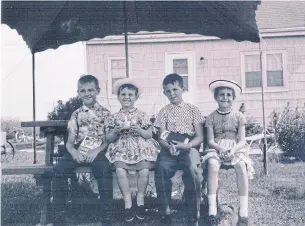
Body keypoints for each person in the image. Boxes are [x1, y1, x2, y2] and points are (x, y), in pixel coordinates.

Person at [52, 75, 113, 224]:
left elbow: (108, 140)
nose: (87, 93)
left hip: (98, 149)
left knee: (105, 170)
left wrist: (97, 150)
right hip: (78, 149)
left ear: (98, 90)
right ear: (78, 93)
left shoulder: (105, 114)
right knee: (59, 169)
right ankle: (59, 212)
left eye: (91, 90)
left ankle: (107, 212)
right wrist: (74, 152)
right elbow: (70, 142)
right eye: (83, 90)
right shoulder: (76, 114)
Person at [105, 78, 160, 222]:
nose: (126, 97)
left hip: (140, 146)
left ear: (136, 97)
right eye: (123, 94)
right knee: (119, 169)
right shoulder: (114, 117)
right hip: (121, 147)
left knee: (144, 170)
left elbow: (149, 134)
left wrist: (141, 130)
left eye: (130, 94)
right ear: (118, 97)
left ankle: (140, 200)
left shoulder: (142, 115)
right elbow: (109, 138)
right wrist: (116, 131)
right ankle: (128, 203)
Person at [201, 80, 255, 226]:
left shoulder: (239, 116)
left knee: (241, 167)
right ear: (215, 98)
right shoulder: (211, 118)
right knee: (212, 165)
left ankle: (243, 212)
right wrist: (221, 149)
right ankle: (212, 210)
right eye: (221, 95)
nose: (225, 97)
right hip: (217, 148)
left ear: (233, 97)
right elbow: (211, 140)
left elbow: (242, 140)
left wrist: (233, 150)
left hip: (235, 147)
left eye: (228, 95)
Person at [154, 73, 204, 224]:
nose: (172, 93)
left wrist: (187, 145)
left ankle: (193, 212)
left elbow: (200, 136)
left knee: (191, 169)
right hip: (169, 147)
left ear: (183, 89)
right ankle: (165, 212)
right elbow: (161, 137)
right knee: (161, 168)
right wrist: (168, 147)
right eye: (168, 91)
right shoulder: (163, 112)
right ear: (164, 93)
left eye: (175, 89)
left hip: (188, 146)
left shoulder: (193, 110)